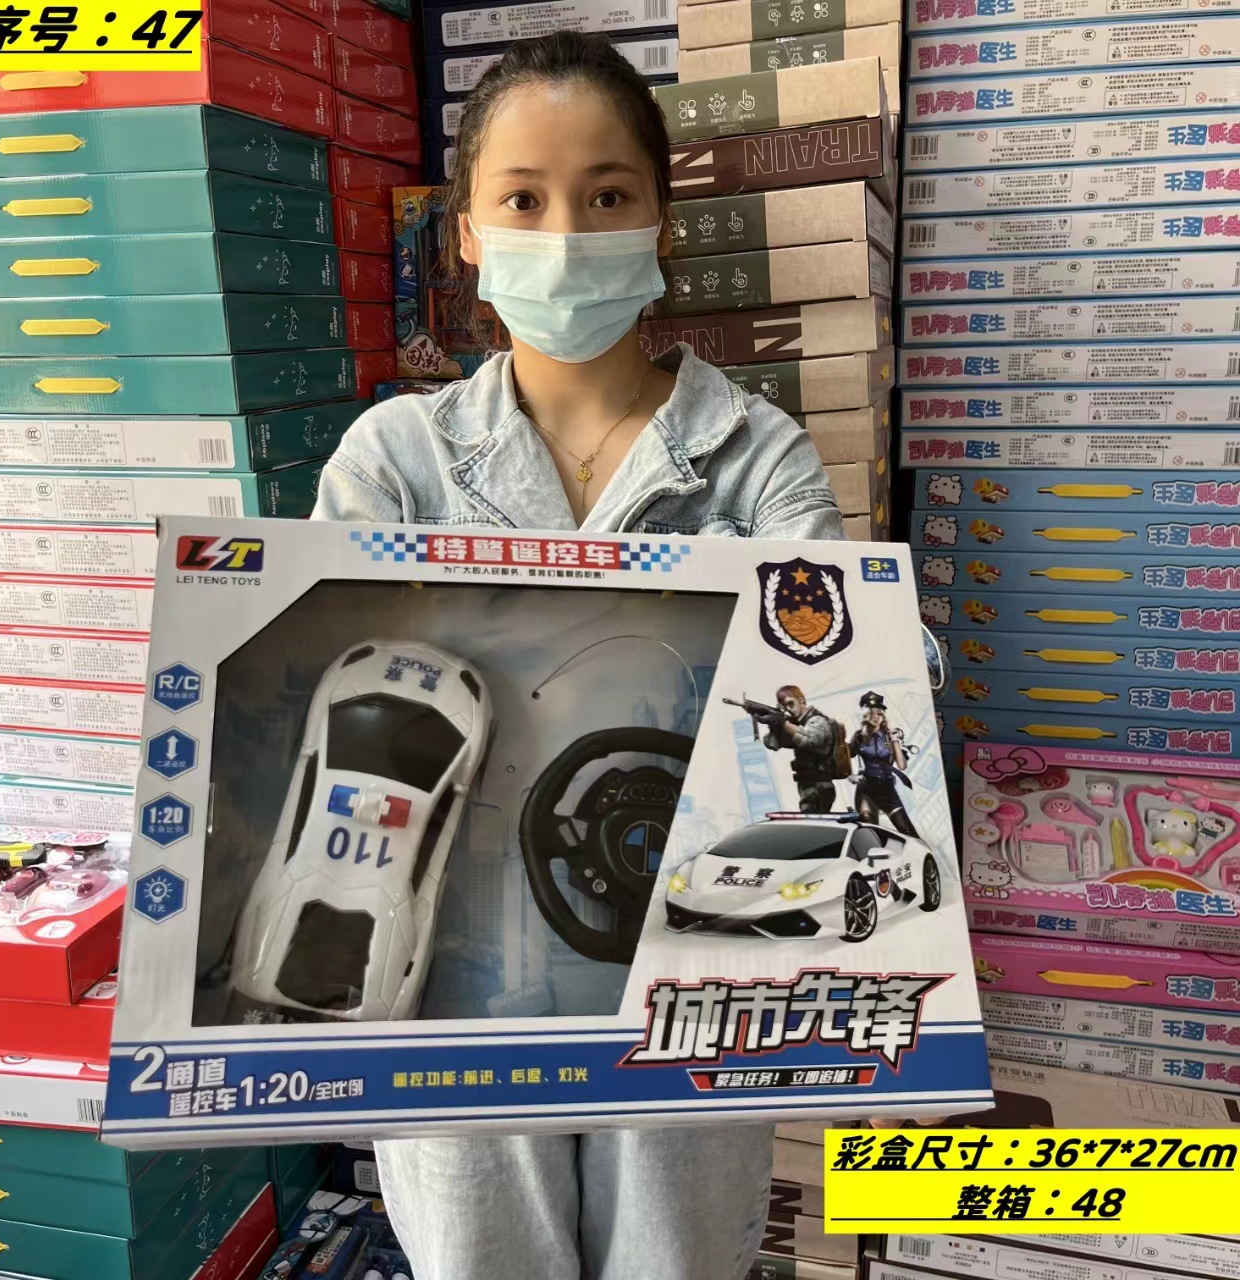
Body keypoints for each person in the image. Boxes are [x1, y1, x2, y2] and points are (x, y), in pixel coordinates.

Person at [312, 30, 843, 1280]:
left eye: (606, 196)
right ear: (464, 232)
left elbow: (844, 688)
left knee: (677, 1255)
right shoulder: (395, 460)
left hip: (691, 964)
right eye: (522, 199)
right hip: (449, 965)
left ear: (659, 220)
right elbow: (319, 693)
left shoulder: (757, 456)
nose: (564, 233)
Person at [762, 686, 846, 815]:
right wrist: (773, 725)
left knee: (813, 821)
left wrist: (784, 724)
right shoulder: (796, 724)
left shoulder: (818, 721)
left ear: (801, 700)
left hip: (819, 786)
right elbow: (772, 744)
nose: (789, 709)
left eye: (791, 704)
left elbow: (809, 739)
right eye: (785, 707)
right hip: (807, 785)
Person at [848, 691, 920, 838]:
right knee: (870, 833)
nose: (876, 717)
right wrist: (850, 776)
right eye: (871, 713)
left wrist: (895, 741)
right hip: (866, 789)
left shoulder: (889, 735)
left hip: (887, 790)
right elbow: (843, 756)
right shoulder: (859, 737)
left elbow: (902, 765)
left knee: (908, 832)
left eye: (879, 713)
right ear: (865, 715)